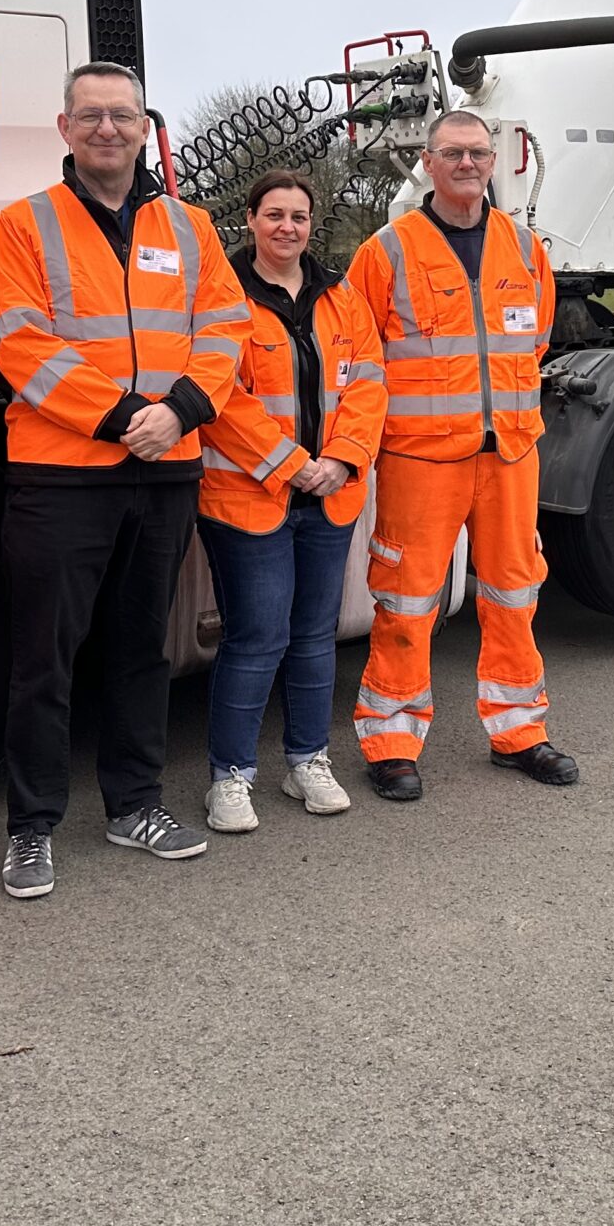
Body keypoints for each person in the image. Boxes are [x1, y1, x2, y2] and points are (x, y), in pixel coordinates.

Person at [0, 62, 252, 898]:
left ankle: (135, 804)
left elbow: (225, 327)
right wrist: (121, 417)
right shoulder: (24, 225)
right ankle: (31, 828)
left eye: (124, 116)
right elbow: (19, 341)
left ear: (146, 129)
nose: (109, 130)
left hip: (166, 468)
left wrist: (177, 412)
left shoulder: (192, 226)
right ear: (65, 129)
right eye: (92, 116)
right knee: (44, 659)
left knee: (143, 649)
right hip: (62, 472)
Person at [345, 110, 579, 801]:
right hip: (421, 458)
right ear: (429, 160)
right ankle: (390, 740)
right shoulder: (386, 251)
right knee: (406, 601)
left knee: (513, 593)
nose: (468, 164)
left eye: (478, 153)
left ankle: (518, 733)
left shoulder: (524, 248)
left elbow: (533, 340)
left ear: (494, 162)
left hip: (507, 453)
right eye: (453, 153)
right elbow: (359, 354)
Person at [192, 171, 389, 833]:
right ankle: (231, 778)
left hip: (328, 497)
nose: (287, 227)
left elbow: (368, 380)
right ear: (249, 220)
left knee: (314, 637)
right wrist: (292, 464)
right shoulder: (224, 298)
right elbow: (220, 397)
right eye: (273, 214)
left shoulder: (342, 296)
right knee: (256, 639)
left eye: (299, 216)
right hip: (249, 500)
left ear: (312, 224)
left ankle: (308, 759)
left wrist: (342, 459)